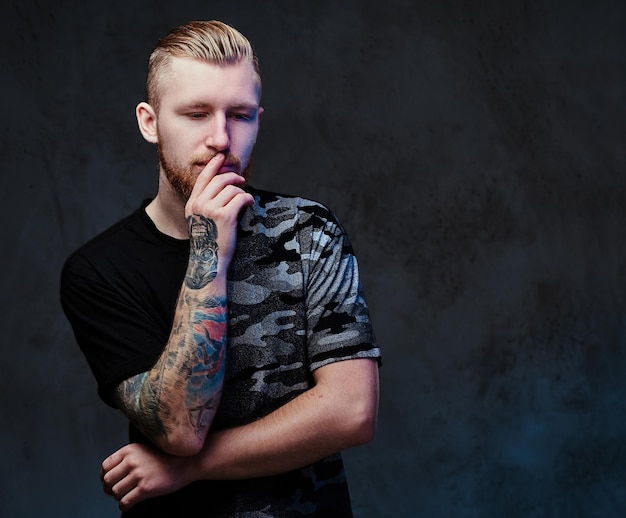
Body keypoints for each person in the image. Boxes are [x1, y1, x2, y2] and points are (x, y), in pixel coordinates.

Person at [60, 20, 381, 517]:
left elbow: (352, 412)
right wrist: (210, 248)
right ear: (150, 122)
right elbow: (179, 430)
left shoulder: (308, 231)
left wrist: (190, 470)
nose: (220, 138)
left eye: (241, 115)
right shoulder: (99, 271)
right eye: (195, 113)